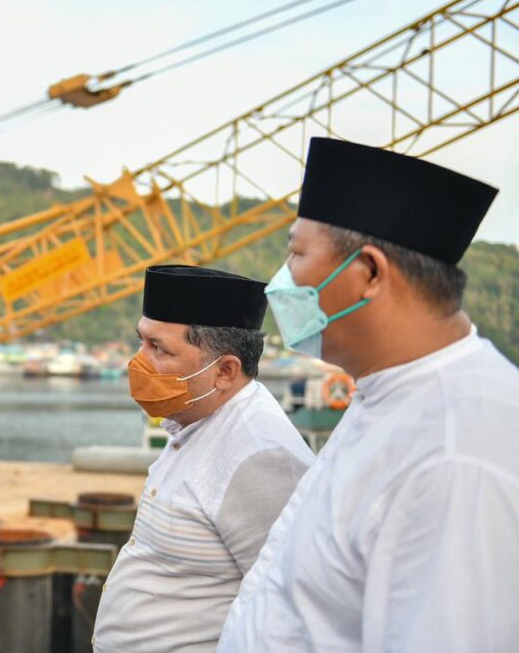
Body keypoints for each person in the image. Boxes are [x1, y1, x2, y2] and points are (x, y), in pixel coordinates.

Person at [218, 138, 519, 651]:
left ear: (370, 273)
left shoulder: (457, 450)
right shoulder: (389, 396)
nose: (279, 281)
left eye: (296, 253)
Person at [93, 266, 315, 652]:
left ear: (225, 371)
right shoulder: (195, 419)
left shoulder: (261, 456)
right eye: (141, 342)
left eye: (159, 349)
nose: (138, 362)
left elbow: (293, 615)